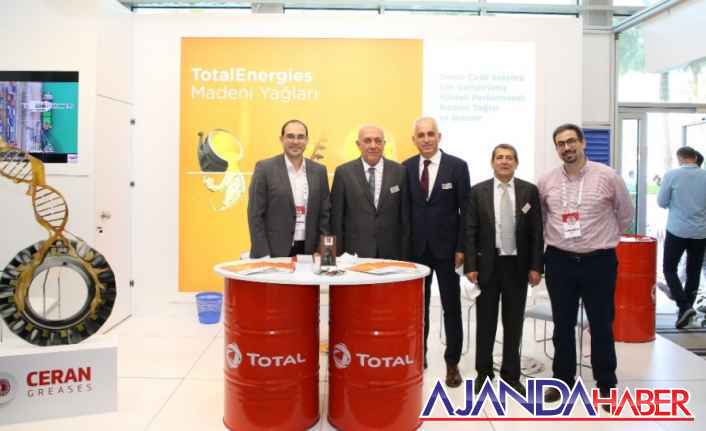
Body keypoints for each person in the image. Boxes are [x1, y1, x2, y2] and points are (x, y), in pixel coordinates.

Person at [537, 123, 633, 408]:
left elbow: (625, 214)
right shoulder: (546, 181)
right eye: (560, 144)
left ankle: (606, 384)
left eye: (571, 141)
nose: (566, 147)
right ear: (556, 148)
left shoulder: (607, 176)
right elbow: (542, 218)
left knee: (601, 325)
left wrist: (602, 239)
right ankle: (562, 381)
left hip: (598, 262)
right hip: (559, 261)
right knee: (562, 326)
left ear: (582, 143)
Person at [464, 144, 543, 395]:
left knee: (514, 322)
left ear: (516, 163)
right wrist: (470, 266)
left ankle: (511, 375)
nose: (504, 161)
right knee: (485, 322)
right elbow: (470, 231)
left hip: (517, 266)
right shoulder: (478, 192)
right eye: (500, 157)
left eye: (509, 158)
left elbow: (537, 232)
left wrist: (536, 266)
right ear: (492, 162)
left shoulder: (529, 191)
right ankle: (483, 373)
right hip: (487, 265)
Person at [403, 117, 470, 387]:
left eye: (431, 134)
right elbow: (403, 211)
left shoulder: (457, 166)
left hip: (448, 251)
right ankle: (419, 357)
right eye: (421, 135)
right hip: (415, 251)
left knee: (451, 307)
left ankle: (452, 362)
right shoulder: (405, 167)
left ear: (439, 137)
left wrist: (462, 247)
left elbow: (466, 211)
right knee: (417, 310)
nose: (426, 139)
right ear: (414, 140)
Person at [247, 119, 330, 257]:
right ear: (281, 139)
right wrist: (263, 255)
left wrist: (323, 251)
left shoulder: (319, 171)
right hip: (274, 252)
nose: (295, 141)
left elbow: (325, 215)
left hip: (310, 251)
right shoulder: (265, 168)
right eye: (290, 136)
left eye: (300, 137)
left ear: (307, 140)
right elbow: (255, 215)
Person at [330, 124, 409, 259]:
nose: (373, 145)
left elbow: (405, 218)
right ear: (358, 144)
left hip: (391, 253)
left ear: (384, 144)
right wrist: (336, 255)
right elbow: (336, 219)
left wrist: (405, 255)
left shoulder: (400, 171)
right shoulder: (343, 172)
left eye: (378, 141)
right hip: (353, 254)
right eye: (367, 141)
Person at [657, 146, 706, 328]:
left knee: (669, 269)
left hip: (677, 230)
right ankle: (685, 313)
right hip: (700, 232)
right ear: (695, 158)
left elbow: (662, 202)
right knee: (694, 272)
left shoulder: (672, 175)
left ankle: (684, 306)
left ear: (680, 158)